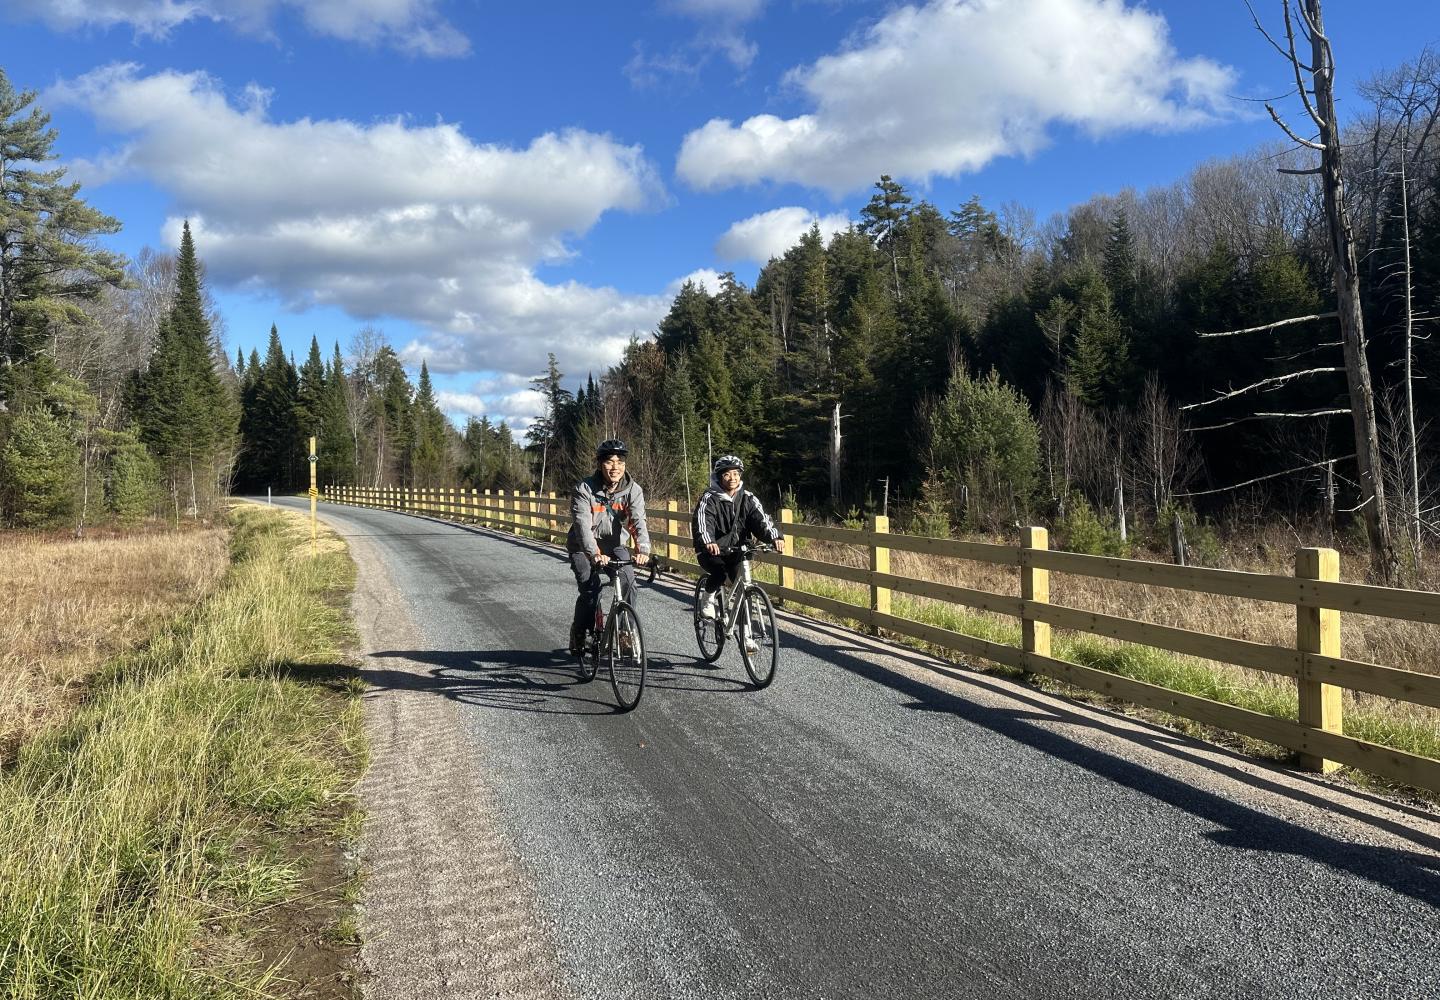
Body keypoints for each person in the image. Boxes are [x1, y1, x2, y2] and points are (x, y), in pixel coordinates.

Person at [567, 438, 651, 656]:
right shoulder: (584, 489)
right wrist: (594, 554)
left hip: (613, 544)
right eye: (609, 462)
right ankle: (581, 631)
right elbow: (582, 527)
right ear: (599, 464)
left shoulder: (633, 490)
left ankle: (625, 632)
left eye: (620, 462)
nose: (615, 467)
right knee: (591, 589)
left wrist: (643, 549)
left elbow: (638, 521)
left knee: (629, 582)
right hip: (582, 546)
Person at [692, 454, 785, 630]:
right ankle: (708, 599)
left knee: (744, 588)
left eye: (736, 473)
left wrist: (775, 536)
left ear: (740, 475)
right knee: (719, 573)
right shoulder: (709, 498)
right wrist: (708, 541)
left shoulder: (748, 498)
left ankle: (746, 633)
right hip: (712, 550)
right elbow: (703, 522)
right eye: (727, 474)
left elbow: (761, 520)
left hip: (737, 550)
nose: (732, 478)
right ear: (719, 477)